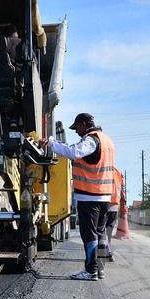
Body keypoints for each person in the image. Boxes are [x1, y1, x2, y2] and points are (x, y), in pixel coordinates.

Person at [41, 112, 116, 280]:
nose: (76, 132)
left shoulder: (91, 139)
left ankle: (91, 271)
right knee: (100, 234)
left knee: (89, 235)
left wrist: (52, 143)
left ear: (83, 124)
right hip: (104, 196)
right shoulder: (107, 140)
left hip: (90, 196)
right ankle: (99, 269)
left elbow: (74, 152)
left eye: (77, 128)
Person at [101, 168, 124, 261]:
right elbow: (122, 189)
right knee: (108, 232)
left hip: (104, 204)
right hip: (115, 205)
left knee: (102, 230)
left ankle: (108, 253)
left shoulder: (103, 169)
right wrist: (123, 203)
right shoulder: (118, 171)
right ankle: (107, 253)